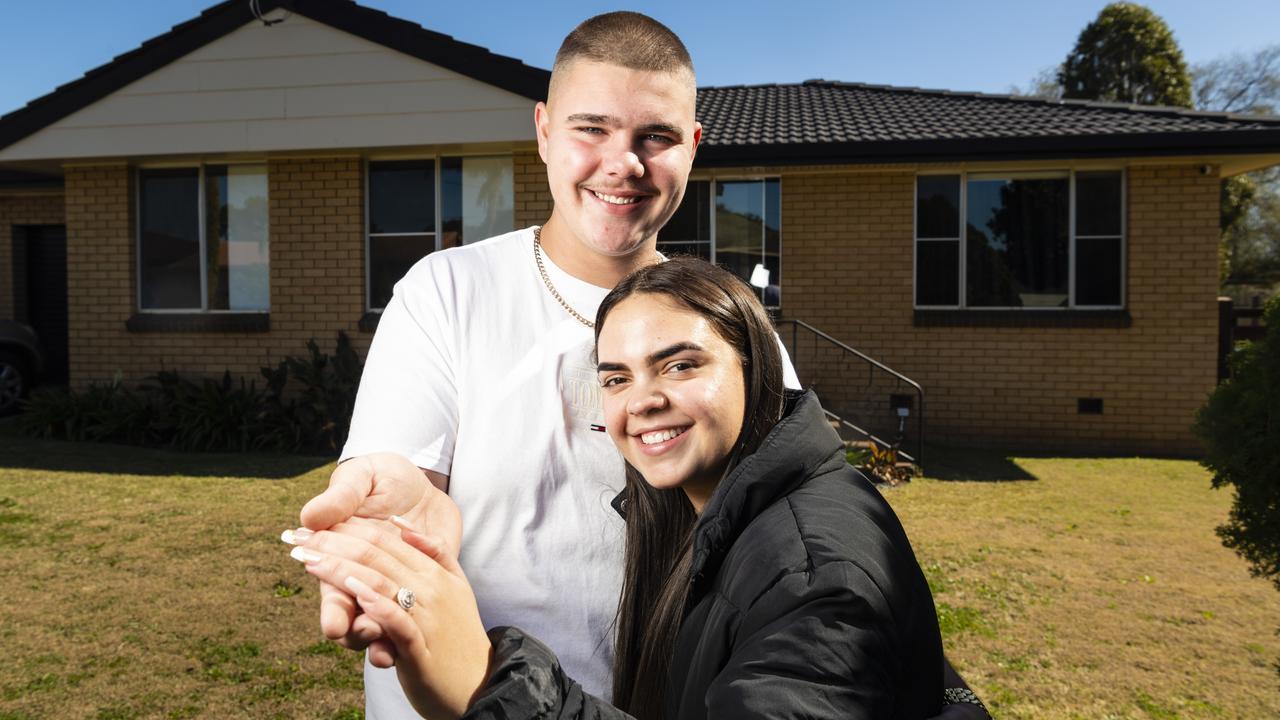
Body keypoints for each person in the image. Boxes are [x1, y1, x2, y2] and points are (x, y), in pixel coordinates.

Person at [295, 11, 987, 719]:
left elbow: (803, 545)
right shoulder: (446, 292)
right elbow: (405, 475)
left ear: (692, 147)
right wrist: (396, 510)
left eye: (654, 137)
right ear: (542, 131)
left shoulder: (737, 334)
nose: (622, 162)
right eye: (590, 129)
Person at [287, 258, 986, 719]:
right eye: (617, 377)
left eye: (680, 365)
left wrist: (489, 681)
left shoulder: (811, 572)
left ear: (758, 369)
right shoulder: (721, 513)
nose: (641, 400)